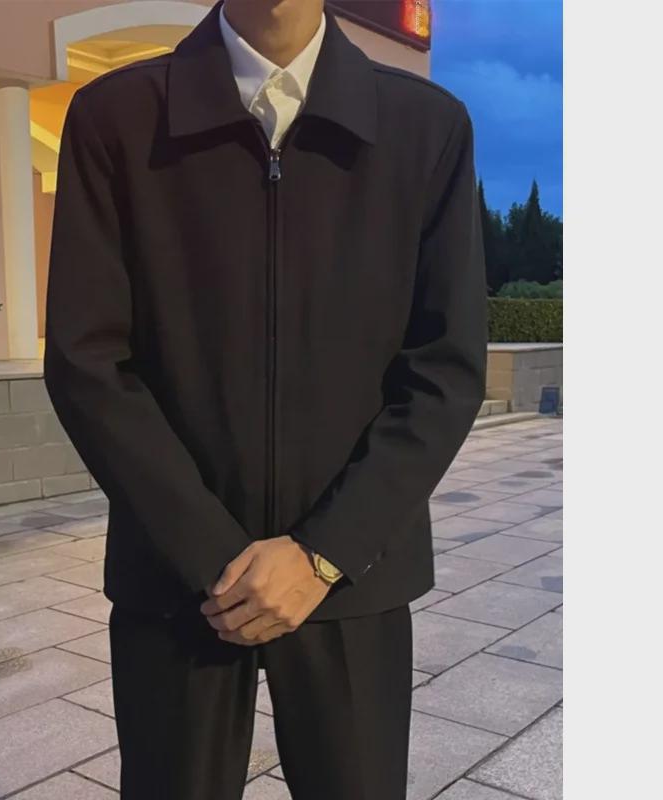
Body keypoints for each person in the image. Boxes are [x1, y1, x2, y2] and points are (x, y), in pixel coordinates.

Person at [43, 1, 488, 798]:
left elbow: (445, 368)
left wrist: (323, 553)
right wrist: (211, 553)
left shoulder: (425, 127)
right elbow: (88, 360)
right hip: (178, 577)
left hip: (352, 575)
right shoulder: (117, 117)